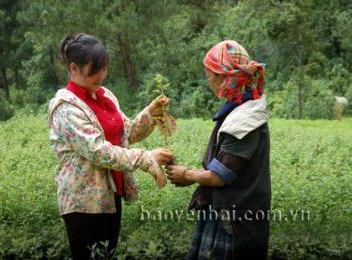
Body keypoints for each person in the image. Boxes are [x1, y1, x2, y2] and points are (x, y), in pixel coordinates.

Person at [47, 33, 173, 259]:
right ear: (73, 68)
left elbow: (126, 133)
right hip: (83, 202)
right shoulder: (65, 108)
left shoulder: (104, 96)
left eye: (103, 68)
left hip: (109, 194)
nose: (101, 75)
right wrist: (144, 158)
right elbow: (98, 151)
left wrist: (150, 113)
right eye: (94, 70)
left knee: (108, 254)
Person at [166, 40, 271, 259]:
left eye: (209, 76)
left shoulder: (245, 120)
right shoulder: (243, 105)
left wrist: (187, 174)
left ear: (226, 78)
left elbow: (219, 177)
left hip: (236, 219)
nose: (208, 82)